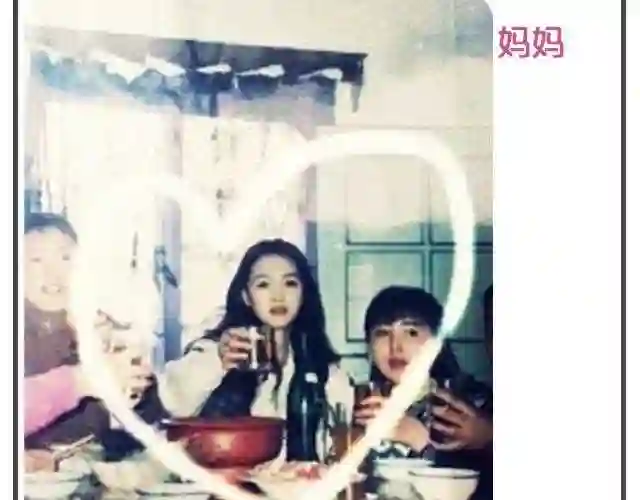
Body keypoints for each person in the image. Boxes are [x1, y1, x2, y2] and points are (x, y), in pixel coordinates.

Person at [155, 239, 353, 455]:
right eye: (263, 284)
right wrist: (218, 362)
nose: (278, 296)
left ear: (304, 294)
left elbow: (341, 440)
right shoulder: (219, 351)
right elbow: (172, 402)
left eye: (290, 283)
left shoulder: (324, 371)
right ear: (246, 297)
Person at [23, 213, 155, 469]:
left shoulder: (102, 329)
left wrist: (134, 394)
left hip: (90, 472)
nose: (54, 273)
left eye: (65, 258)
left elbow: (143, 426)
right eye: (36, 260)